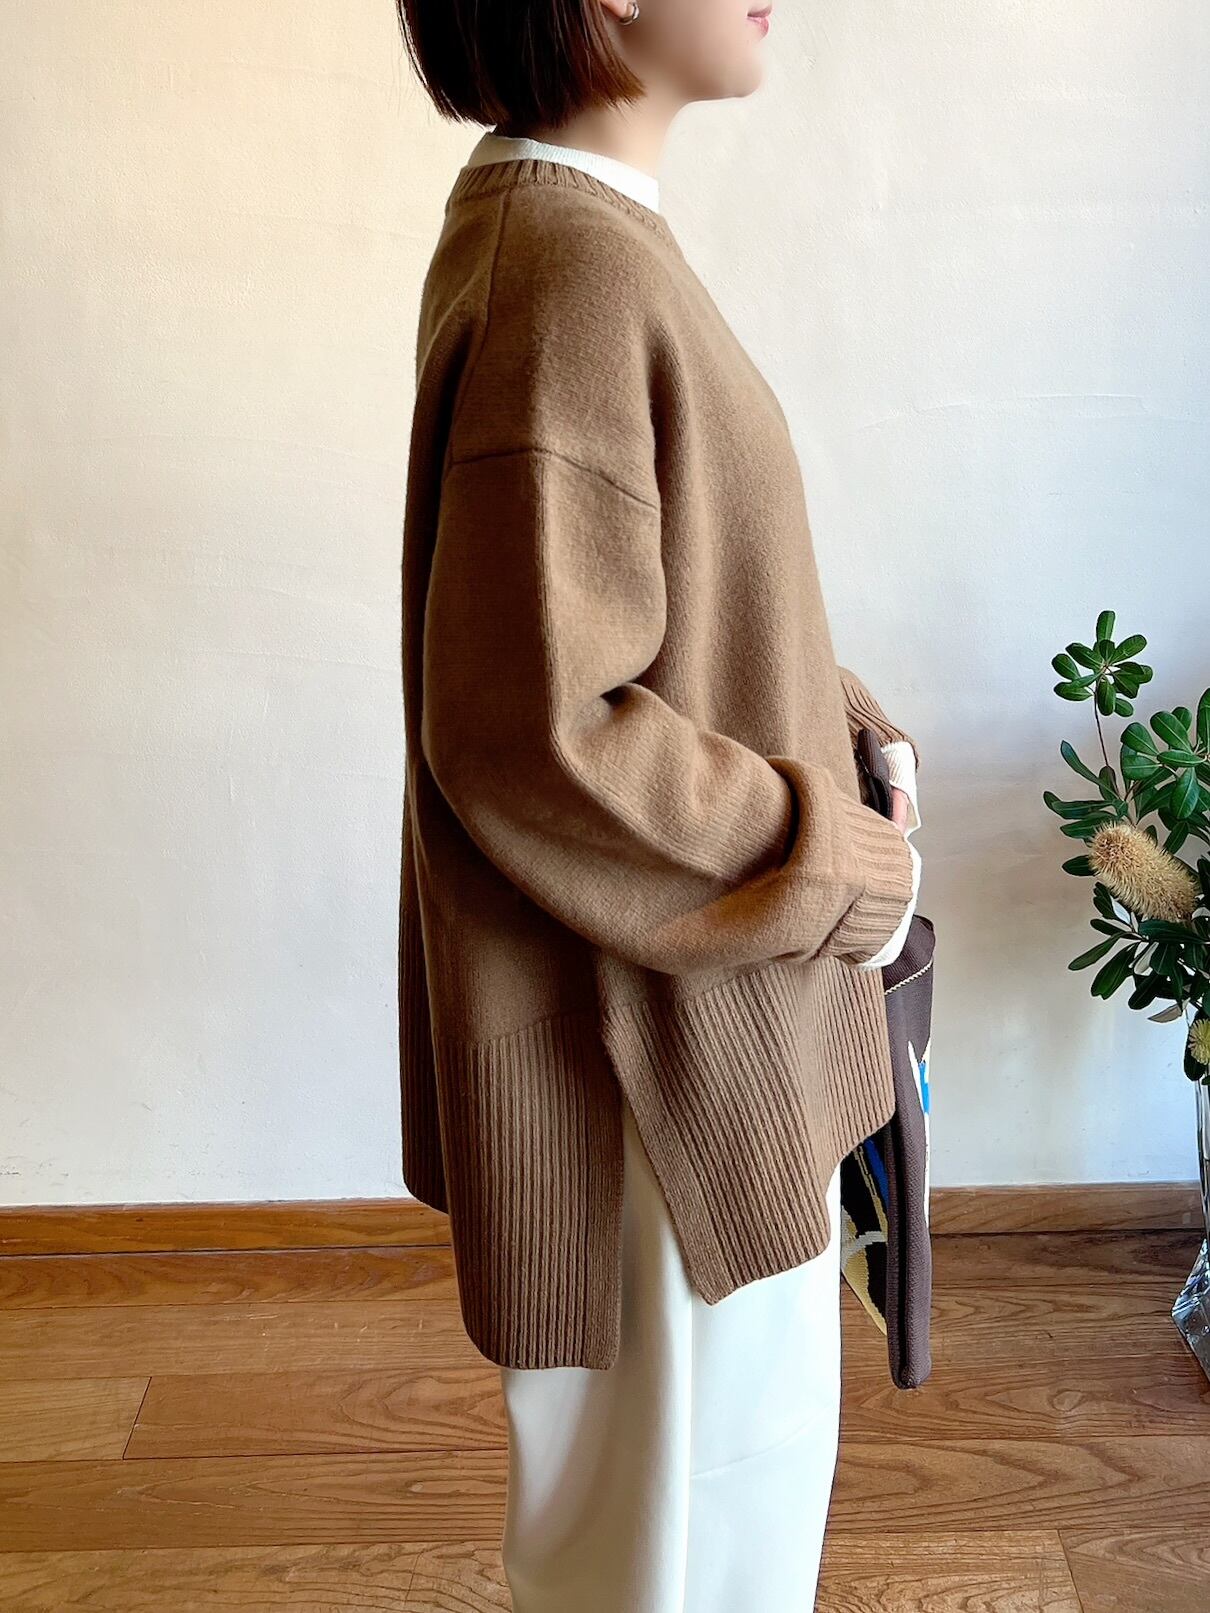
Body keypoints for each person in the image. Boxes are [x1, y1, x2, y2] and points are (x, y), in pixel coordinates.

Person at [394, 3, 924, 1608]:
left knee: (699, 1526)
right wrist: (836, 859)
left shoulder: (573, 233)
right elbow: (538, 732)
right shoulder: (571, 269)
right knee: (688, 1549)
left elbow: (662, 600)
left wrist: (837, 722)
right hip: (655, 1071)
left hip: (675, 1037)